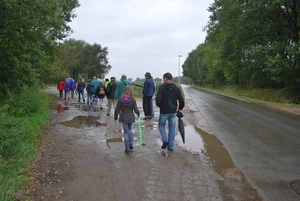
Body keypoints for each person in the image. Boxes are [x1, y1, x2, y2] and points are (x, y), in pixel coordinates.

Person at [155, 72, 185, 151]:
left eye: (163, 78)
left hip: (164, 111)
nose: (162, 80)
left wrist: (160, 105)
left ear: (165, 78)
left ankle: (165, 140)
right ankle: (170, 146)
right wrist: (180, 108)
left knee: (161, 125)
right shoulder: (176, 88)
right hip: (173, 111)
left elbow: (158, 101)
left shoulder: (161, 88)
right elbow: (182, 100)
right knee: (172, 128)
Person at [114, 85, 140, 154]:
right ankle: (130, 143)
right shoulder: (132, 100)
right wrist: (138, 114)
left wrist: (115, 117)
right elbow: (136, 109)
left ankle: (127, 148)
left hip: (123, 117)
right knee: (129, 130)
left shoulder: (120, 100)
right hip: (131, 117)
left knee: (126, 132)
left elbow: (117, 109)